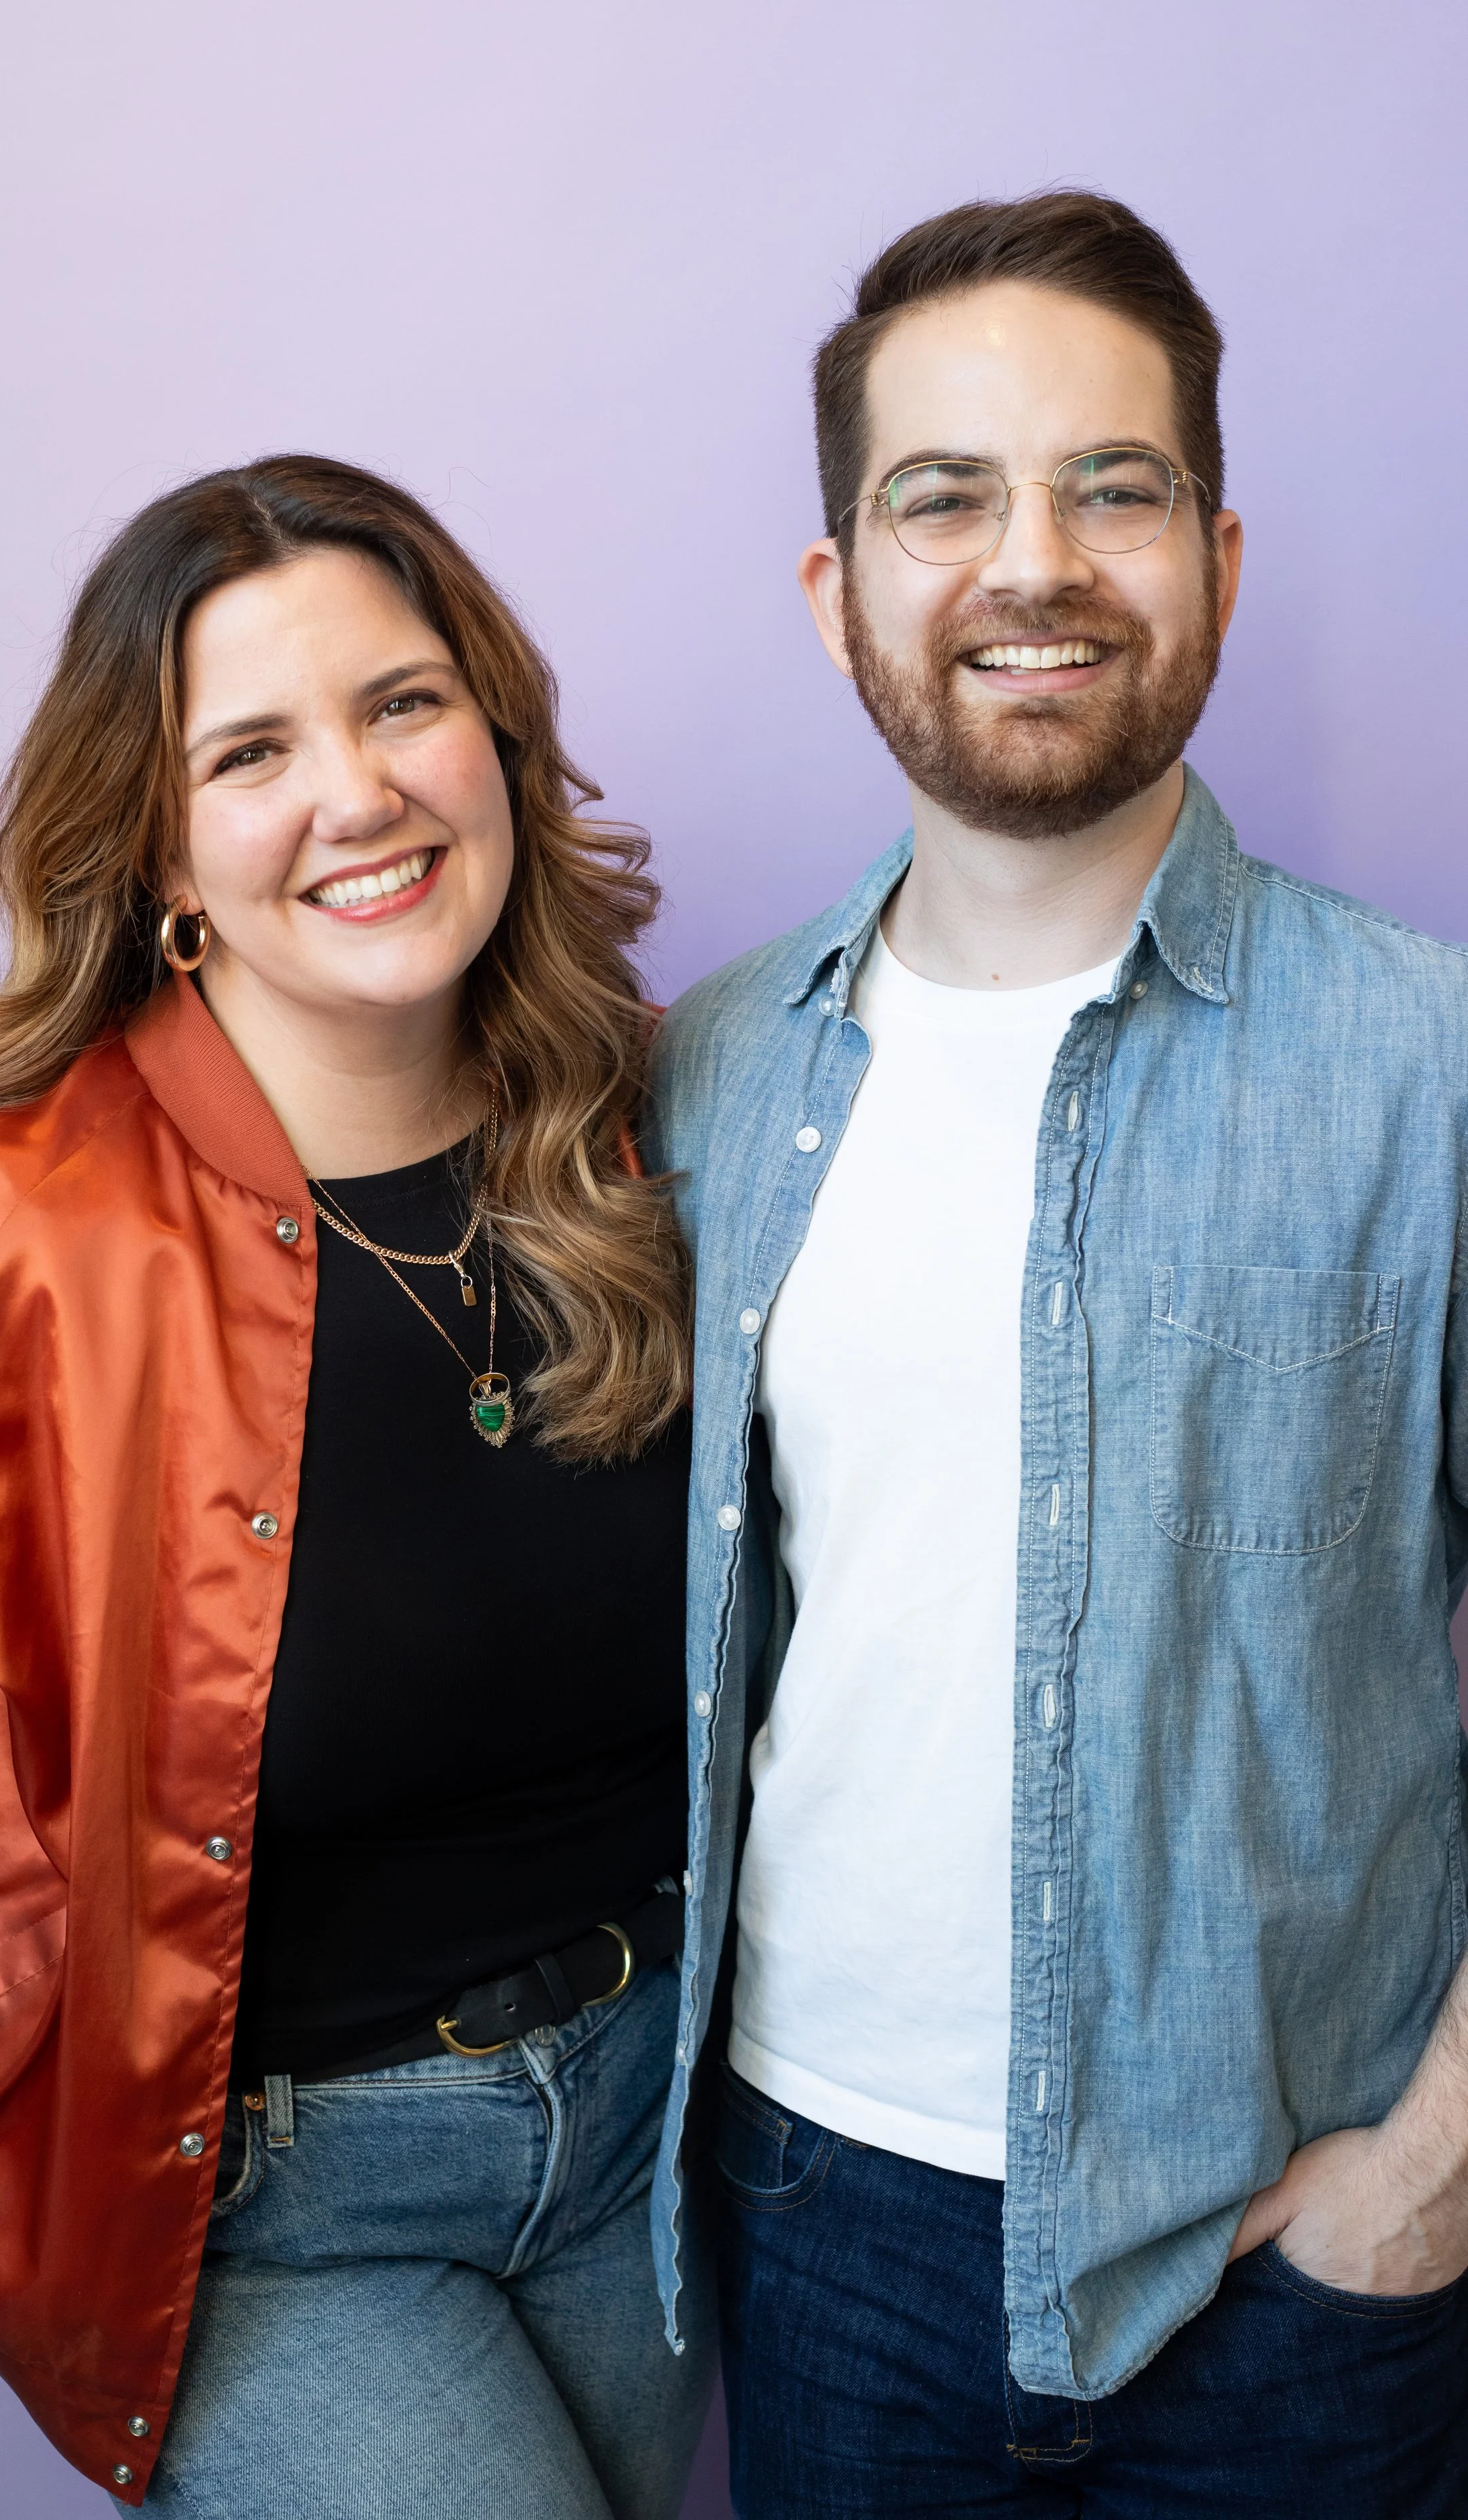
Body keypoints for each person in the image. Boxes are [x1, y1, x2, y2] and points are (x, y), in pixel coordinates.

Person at [646, 191, 1468, 2514]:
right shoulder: (699, 1083)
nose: (1036, 561)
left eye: (1110, 487)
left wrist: (1430, 2173)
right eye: (944, 497)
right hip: (822, 2223)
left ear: (1212, 553)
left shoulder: (1432, 1065)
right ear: (839, 595)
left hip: (1301, 2247)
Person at [0, 456, 714, 2517]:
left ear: (493, 734)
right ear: (166, 853)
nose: (359, 793)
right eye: (254, 749)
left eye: (401, 703)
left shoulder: (655, 1127)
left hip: (656, 2134)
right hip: (286, 2195)